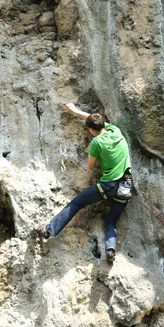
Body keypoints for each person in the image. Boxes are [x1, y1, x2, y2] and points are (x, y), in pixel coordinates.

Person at [36, 102, 132, 263]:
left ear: (92, 130)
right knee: (111, 221)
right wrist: (75, 111)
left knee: (77, 203)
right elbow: (93, 120)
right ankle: (110, 250)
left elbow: (90, 166)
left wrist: (97, 153)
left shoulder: (96, 142)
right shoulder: (115, 131)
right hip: (126, 186)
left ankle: (49, 230)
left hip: (107, 186)